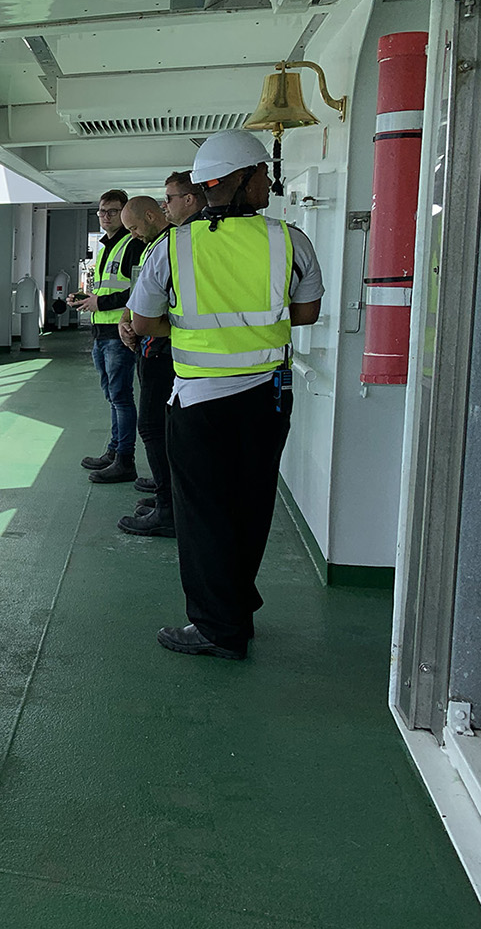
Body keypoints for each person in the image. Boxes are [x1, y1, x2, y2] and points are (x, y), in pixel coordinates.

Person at [129, 129, 323, 660]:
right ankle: (235, 609)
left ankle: (218, 626)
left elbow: (145, 320)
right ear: (239, 181)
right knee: (251, 506)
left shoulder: (172, 246)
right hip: (268, 397)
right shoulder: (290, 240)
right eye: (262, 174)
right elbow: (305, 312)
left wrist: (189, 331)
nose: (269, 183)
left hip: (198, 402)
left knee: (203, 514)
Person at [68, 190, 144, 485]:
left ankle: (125, 459)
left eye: (112, 211)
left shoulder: (132, 245)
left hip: (120, 333)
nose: (105, 217)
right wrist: (87, 298)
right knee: (113, 397)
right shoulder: (106, 248)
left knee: (121, 398)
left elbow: (137, 290)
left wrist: (99, 303)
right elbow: (108, 288)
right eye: (101, 212)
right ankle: (114, 451)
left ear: (125, 214)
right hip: (102, 332)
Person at [114, 196, 175, 538]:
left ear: (151, 215)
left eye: (135, 227)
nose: (134, 234)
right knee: (156, 428)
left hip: (163, 351)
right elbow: (141, 292)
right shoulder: (156, 247)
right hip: (150, 347)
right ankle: (166, 499)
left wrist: (140, 326)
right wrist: (128, 318)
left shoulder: (174, 247)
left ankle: (168, 508)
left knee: (153, 427)